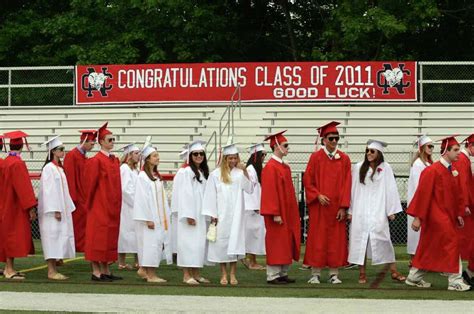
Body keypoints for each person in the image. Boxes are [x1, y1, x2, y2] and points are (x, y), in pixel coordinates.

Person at [406, 135, 471, 291]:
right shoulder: (432, 171)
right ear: (446, 152)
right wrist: (418, 218)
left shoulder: (452, 170)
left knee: (429, 247)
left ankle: (414, 277)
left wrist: (458, 214)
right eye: (455, 150)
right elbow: (423, 194)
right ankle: (455, 279)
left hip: (447, 215)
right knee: (452, 242)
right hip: (436, 216)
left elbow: (457, 196)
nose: (458, 153)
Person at [348, 139, 406, 284]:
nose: (368, 153)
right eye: (367, 151)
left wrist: (391, 210)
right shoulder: (358, 167)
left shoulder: (386, 167)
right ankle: (362, 273)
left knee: (385, 240)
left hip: (378, 210)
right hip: (361, 210)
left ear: (378, 153)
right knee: (360, 241)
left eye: (372, 151)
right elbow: (353, 190)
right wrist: (351, 210)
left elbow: (391, 188)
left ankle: (393, 271)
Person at [303, 121, 351, 284]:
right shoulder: (315, 157)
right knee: (318, 239)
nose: (334, 141)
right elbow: (308, 180)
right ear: (323, 139)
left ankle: (334, 274)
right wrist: (317, 195)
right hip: (320, 208)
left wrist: (344, 207)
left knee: (336, 241)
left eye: (337, 138)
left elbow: (347, 184)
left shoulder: (344, 158)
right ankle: (315, 274)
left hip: (336, 208)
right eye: (331, 138)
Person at [202, 143, 253, 285]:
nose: (233, 161)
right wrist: (213, 214)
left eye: (235, 158)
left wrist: (245, 172)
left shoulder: (238, 173)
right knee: (222, 245)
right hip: (221, 214)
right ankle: (223, 274)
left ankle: (233, 274)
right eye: (230, 158)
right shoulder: (215, 175)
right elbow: (210, 195)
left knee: (234, 243)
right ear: (225, 158)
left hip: (236, 215)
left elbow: (250, 189)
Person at [260, 130, 301, 285]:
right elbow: (269, 193)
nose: (288, 148)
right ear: (276, 146)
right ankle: (272, 275)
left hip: (288, 211)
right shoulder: (271, 167)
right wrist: (275, 213)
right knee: (276, 242)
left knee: (286, 242)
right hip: (277, 213)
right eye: (285, 145)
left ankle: (282, 272)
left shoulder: (284, 167)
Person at [83, 122, 122, 282]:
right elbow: (90, 185)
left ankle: (106, 270)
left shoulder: (113, 160)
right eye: (109, 139)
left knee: (109, 238)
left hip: (112, 207)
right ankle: (96, 271)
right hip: (99, 206)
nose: (112, 142)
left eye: (113, 139)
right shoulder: (96, 161)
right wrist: (91, 204)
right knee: (97, 238)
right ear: (101, 142)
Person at [0, 131, 37, 280]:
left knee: (6, 236)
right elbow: (24, 188)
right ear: (22, 145)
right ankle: (9, 269)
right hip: (14, 206)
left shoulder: (6, 162)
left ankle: (9, 268)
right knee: (12, 237)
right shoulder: (17, 163)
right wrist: (31, 207)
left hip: (4, 203)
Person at [38, 136, 76, 280]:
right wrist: (56, 209)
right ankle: (51, 271)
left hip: (61, 209)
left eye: (63, 149)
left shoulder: (58, 168)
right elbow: (49, 191)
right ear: (53, 152)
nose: (63, 152)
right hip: (52, 211)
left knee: (58, 237)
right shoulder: (49, 169)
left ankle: (55, 266)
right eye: (60, 149)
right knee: (51, 238)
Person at [133, 144, 172, 283]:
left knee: (156, 244)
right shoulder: (143, 177)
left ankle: (144, 269)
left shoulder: (155, 176)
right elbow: (141, 199)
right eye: (155, 156)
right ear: (148, 159)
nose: (158, 158)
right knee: (150, 245)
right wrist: (148, 218)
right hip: (149, 218)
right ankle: (151, 275)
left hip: (159, 217)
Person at [175, 140, 211, 285]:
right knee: (187, 244)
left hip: (200, 215)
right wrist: (189, 215)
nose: (198, 156)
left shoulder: (201, 172)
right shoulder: (186, 172)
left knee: (198, 245)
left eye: (201, 154)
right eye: (195, 154)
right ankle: (186, 274)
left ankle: (196, 273)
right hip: (190, 215)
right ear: (190, 156)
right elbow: (185, 195)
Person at [63, 129, 96, 253]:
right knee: (77, 225)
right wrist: (73, 198)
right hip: (77, 198)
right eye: (92, 143)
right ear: (85, 141)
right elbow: (70, 177)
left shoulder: (83, 155)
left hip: (84, 196)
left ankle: (82, 246)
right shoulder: (72, 155)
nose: (93, 146)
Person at [406, 135, 434, 265]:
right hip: (418, 202)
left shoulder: (428, 163)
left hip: (426, 202)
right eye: (429, 146)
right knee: (415, 234)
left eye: (432, 146)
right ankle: (414, 260)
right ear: (422, 147)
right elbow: (419, 185)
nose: (431, 148)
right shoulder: (418, 164)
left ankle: (422, 260)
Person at [453, 134, 474, 286]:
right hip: (465, 207)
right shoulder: (462, 160)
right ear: (470, 146)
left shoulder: (464, 160)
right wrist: (465, 204)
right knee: (463, 239)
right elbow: (462, 184)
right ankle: (459, 272)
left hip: (466, 205)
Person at [242, 143, 267, 271]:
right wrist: (255, 206)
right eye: (263, 155)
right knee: (253, 235)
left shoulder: (255, 169)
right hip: (252, 208)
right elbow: (250, 189)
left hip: (255, 207)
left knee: (253, 235)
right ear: (256, 156)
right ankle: (251, 261)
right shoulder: (251, 170)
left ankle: (249, 259)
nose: (264, 157)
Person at [117, 143, 141, 270]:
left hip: (135, 205)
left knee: (136, 233)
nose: (138, 156)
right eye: (136, 153)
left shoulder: (136, 170)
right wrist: (136, 202)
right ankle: (121, 262)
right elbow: (125, 189)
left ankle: (137, 261)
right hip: (127, 206)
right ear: (129, 155)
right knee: (125, 233)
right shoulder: (124, 169)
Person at [170, 148, 189, 261]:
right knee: (179, 231)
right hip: (181, 206)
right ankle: (177, 252)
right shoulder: (183, 172)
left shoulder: (183, 171)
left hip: (180, 206)